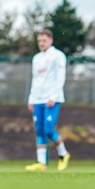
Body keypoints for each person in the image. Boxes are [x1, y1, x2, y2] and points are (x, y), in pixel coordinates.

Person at [25, 29, 71, 171]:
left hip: (52, 99)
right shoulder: (36, 58)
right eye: (39, 41)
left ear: (50, 40)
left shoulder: (58, 56)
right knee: (39, 131)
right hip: (37, 99)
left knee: (49, 130)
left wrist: (53, 96)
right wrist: (31, 99)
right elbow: (35, 79)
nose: (41, 43)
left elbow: (60, 77)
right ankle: (42, 163)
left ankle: (63, 154)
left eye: (44, 40)